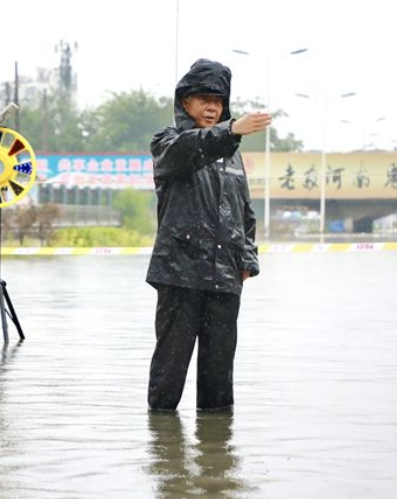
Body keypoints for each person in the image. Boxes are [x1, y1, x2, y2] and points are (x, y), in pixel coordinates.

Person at [146, 58, 270, 412]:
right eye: (203, 99)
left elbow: (245, 212)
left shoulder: (233, 156)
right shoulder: (167, 144)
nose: (212, 107)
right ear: (185, 102)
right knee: (168, 378)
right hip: (179, 273)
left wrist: (246, 261)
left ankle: (217, 458)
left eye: (218, 100)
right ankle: (163, 451)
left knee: (218, 386)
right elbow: (191, 149)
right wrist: (231, 132)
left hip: (225, 278)